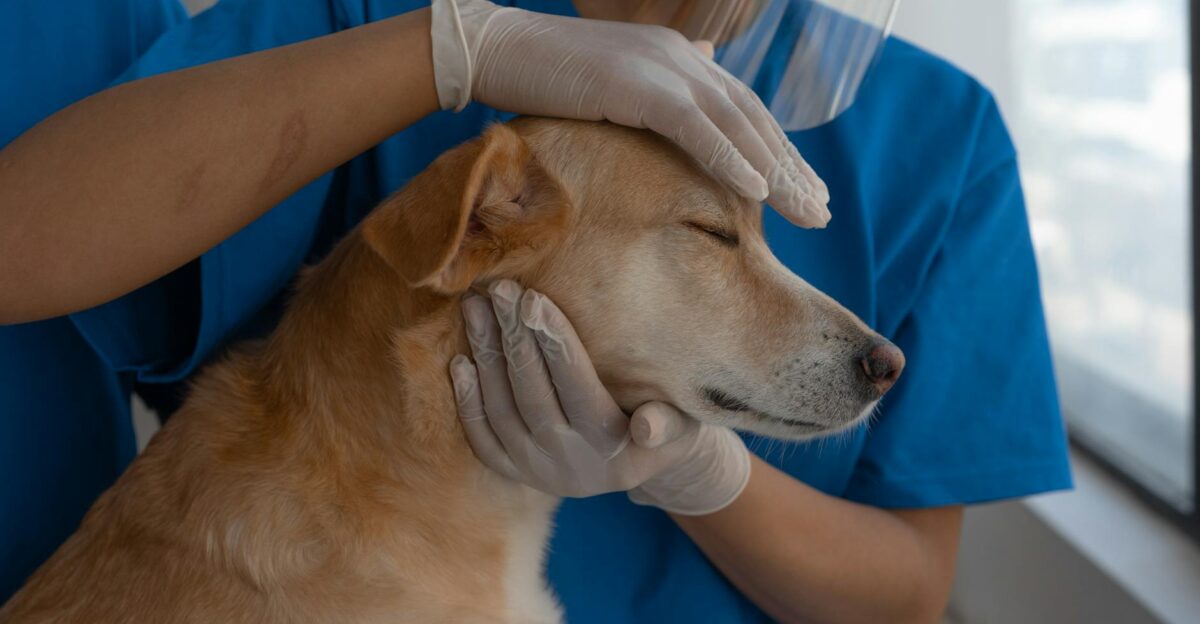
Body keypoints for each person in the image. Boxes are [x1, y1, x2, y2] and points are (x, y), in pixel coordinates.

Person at [0, 1, 1072, 621]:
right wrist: (454, 48)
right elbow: (22, 240)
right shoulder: (367, 19)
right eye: (709, 240)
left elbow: (906, 597)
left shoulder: (939, 133)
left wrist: (701, 478)